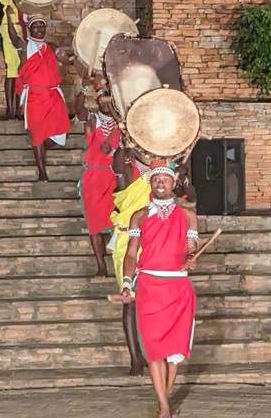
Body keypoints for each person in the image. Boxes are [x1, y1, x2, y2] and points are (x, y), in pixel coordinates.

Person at [119, 162, 198, 418]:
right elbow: (131, 254)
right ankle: (164, 406)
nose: (160, 184)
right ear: (151, 184)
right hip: (150, 287)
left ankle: (164, 401)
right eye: (156, 180)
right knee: (154, 349)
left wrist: (192, 257)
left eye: (165, 179)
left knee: (173, 353)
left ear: (174, 183)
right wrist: (127, 283)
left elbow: (191, 247)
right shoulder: (139, 215)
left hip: (179, 288)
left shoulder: (188, 215)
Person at [7, 15, 69, 181]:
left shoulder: (51, 46)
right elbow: (13, 38)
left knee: (60, 133)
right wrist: (8, 17)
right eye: (36, 26)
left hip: (53, 95)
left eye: (42, 26)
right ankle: (42, 172)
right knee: (37, 134)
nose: (40, 29)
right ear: (30, 29)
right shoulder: (26, 46)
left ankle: (39, 148)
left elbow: (63, 56)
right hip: (35, 97)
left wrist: (65, 56)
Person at [108, 149, 152, 375]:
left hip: (154, 240)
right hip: (127, 242)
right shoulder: (126, 167)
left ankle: (150, 353)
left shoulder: (158, 172)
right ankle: (135, 357)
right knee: (129, 299)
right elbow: (118, 164)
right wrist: (128, 145)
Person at [73, 82, 119, 277]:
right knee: (94, 224)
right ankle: (101, 265)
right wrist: (84, 89)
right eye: (103, 97)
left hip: (116, 177)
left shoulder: (122, 123)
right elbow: (79, 110)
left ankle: (117, 255)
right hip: (94, 177)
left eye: (109, 97)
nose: (106, 102)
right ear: (98, 100)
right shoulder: (93, 121)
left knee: (118, 220)